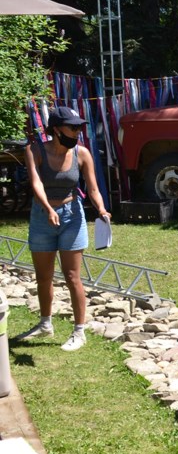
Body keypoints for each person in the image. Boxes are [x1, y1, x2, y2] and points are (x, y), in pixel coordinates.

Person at [16, 106, 110, 351]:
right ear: (56, 129)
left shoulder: (82, 153)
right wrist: (47, 208)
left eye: (79, 127)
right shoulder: (34, 150)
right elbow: (36, 182)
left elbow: (93, 188)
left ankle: (80, 331)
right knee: (43, 277)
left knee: (72, 277)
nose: (77, 132)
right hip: (41, 215)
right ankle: (45, 323)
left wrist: (101, 209)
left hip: (72, 216)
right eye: (72, 127)